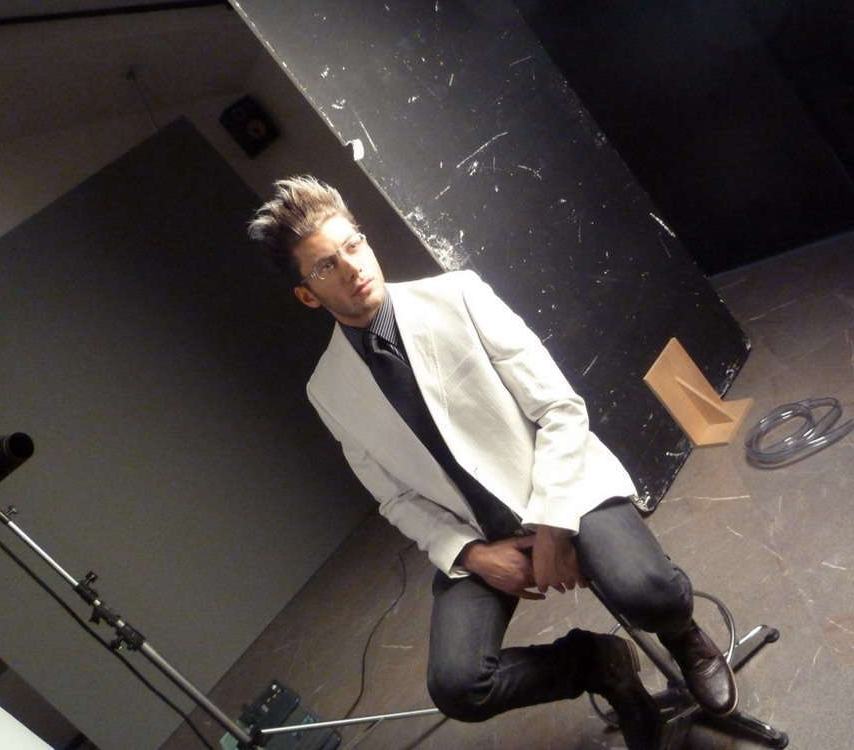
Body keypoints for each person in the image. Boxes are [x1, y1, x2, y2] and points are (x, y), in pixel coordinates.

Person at [248, 176, 737, 750]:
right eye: (327, 266)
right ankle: (600, 665)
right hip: (478, 534)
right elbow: (395, 498)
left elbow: (558, 409)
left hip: (559, 487)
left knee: (649, 591)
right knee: (459, 687)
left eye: (353, 244)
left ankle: (684, 636)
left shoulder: (457, 296)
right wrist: (472, 555)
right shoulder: (328, 390)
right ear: (308, 294)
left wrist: (553, 527)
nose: (352, 267)